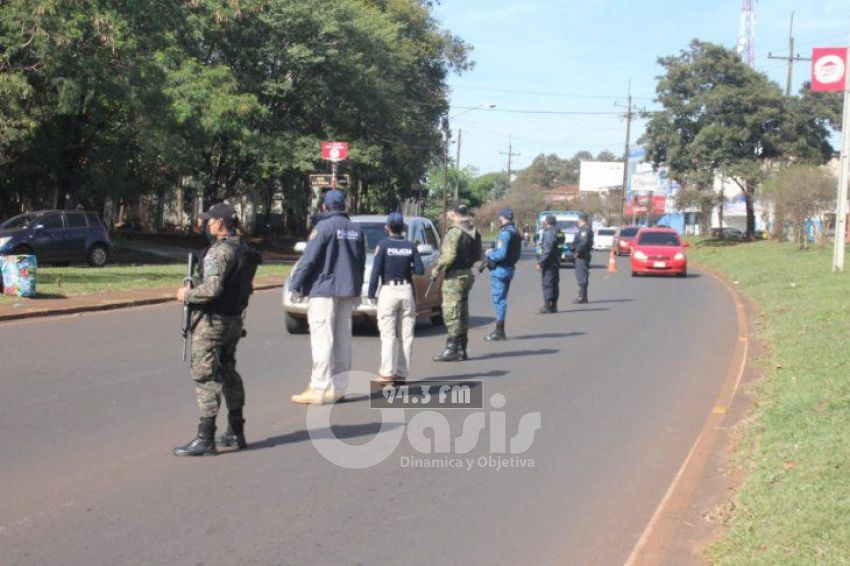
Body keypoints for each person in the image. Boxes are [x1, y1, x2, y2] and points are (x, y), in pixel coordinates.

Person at [174, 203, 262, 456]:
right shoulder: (244, 249)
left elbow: (212, 289)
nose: (207, 224)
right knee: (228, 371)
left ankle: (205, 437)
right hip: (233, 320)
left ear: (220, 224)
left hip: (213, 322)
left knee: (205, 376)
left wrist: (187, 294)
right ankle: (236, 430)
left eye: (210, 220)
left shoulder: (219, 252)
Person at [289, 189, 366, 404]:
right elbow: (359, 263)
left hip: (324, 289)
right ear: (344, 206)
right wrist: (357, 289)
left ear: (324, 207)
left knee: (323, 338)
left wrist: (295, 285)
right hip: (347, 290)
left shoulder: (323, 227)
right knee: (343, 339)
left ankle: (318, 388)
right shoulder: (355, 229)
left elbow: (309, 259)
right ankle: (340, 387)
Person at [368, 212, 424, 381]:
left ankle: (386, 372)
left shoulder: (383, 245)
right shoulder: (410, 246)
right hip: (406, 290)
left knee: (388, 334)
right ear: (403, 228)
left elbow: (376, 271)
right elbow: (420, 270)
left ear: (387, 228)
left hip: (389, 291)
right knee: (406, 336)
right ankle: (401, 373)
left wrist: (371, 293)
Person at [431, 202, 482, 362]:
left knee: (451, 311)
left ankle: (452, 348)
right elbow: (478, 253)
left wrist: (437, 268)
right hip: (467, 273)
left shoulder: (454, 231)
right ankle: (462, 348)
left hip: (454, 276)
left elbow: (449, 255)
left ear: (453, 214)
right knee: (462, 311)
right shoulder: (474, 230)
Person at [483, 207, 522, 340]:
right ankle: (499, 330)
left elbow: (500, 254)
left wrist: (490, 253)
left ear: (502, 217)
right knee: (501, 299)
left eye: (500, 217)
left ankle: (499, 331)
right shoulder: (516, 232)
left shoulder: (505, 233)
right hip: (510, 268)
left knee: (499, 300)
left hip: (501, 269)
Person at [535, 214, 562, 314]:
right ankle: (554, 306)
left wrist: (540, 262)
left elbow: (547, 250)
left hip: (549, 262)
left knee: (547, 284)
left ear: (546, 222)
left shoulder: (549, 233)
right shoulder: (559, 232)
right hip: (556, 261)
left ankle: (547, 306)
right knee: (554, 284)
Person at [572, 213, 594, 304]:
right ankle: (582, 295)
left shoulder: (585, 230)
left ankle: (582, 297)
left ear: (581, 220)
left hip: (582, 255)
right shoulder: (584, 229)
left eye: (578, 220)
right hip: (583, 254)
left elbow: (583, 243)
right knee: (581, 275)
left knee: (582, 276)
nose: (577, 222)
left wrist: (577, 251)